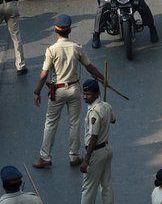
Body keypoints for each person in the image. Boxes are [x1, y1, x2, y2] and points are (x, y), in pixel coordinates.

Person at [33, 14, 108, 169]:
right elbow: (90, 67)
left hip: (58, 91)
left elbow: (44, 74)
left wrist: (37, 91)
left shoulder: (51, 50)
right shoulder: (76, 48)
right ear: (70, 30)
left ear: (55, 30)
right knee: (75, 123)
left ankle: (45, 156)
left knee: (50, 123)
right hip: (74, 89)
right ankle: (74, 156)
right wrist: (102, 78)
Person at [79, 78, 116, 204]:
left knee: (88, 188)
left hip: (96, 153)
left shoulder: (94, 112)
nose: (85, 97)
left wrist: (86, 160)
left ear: (96, 94)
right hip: (107, 149)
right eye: (84, 94)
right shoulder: (106, 106)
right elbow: (113, 120)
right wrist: (105, 107)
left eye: (88, 94)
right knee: (106, 185)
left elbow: (93, 137)